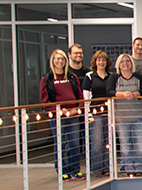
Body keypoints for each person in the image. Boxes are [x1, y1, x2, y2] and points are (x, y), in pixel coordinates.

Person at [41, 49, 85, 181]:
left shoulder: (72, 77)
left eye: (62, 59)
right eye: (57, 59)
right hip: (57, 117)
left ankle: (75, 170)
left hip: (73, 116)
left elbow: (79, 96)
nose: (60, 61)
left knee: (74, 143)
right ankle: (62, 171)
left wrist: (76, 109)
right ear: (52, 61)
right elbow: (45, 100)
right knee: (60, 143)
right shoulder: (47, 78)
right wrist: (60, 110)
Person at [110, 54, 142, 176]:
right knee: (125, 145)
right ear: (118, 64)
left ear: (131, 63)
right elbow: (109, 91)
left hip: (139, 117)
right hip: (122, 118)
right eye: (122, 62)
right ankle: (128, 168)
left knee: (139, 144)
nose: (125, 64)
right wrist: (122, 94)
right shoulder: (114, 77)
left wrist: (135, 93)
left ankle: (138, 168)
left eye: (127, 61)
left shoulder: (139, 77)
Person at [82, 50, 115, 175]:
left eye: (103, 60)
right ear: (95, 62)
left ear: (107, 62)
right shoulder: (89, 76)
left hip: (109, 113)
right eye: (99, 60)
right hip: (95, 114)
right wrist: (88, 115)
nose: (101, 62)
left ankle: (107, 168)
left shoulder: (111, 76)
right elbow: (86, 98)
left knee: (108, 142)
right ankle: (96, 169)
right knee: (97, 142)